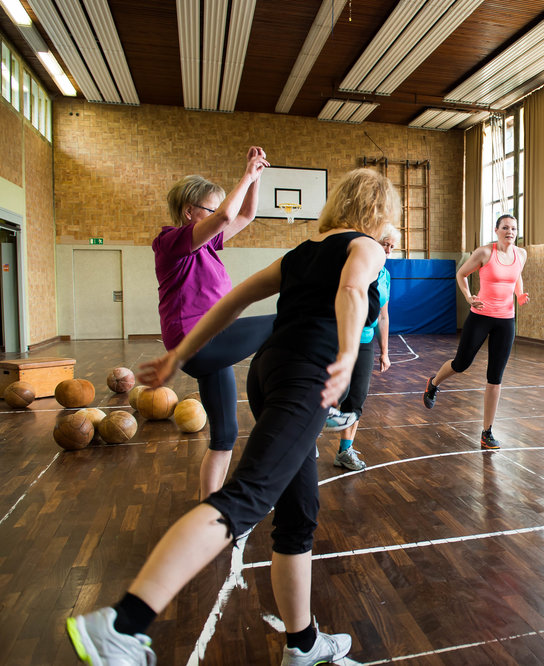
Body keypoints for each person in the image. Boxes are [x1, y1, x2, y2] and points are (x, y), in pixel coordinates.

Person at [66, 168, 398, 665]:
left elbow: (231, 301)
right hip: (305, 379)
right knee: (246, 498)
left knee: (296, 514)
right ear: (378, 211)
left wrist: (179, 354)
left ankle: (303, 644)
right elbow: (352, 292)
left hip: (268, 374)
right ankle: (122, 623)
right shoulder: (366, 247)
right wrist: (348, 356)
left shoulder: (300, 253)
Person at [154, 147, 276, 499]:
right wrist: (246, 176)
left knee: (224, 435)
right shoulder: (170, 241)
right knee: (284, 318)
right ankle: (297, 409)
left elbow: (245, 215)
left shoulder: (207, 246)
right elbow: (224, 217)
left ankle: (210, 506)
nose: (220, 212)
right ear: (189, 211)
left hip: (213, 346)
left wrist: (257, 177)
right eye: (209, 207)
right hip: (196, 341)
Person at [422, 214, 529, 450]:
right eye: (505, 228)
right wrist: (469, 297)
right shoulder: (484, 253)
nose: (509, 231)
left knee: (495, 377)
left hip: (506, 321)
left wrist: (520, 294)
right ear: (496, 230)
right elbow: (461, 274)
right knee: (461, 364)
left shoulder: (521, 254)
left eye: (513, 228)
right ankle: (434, 383)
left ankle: (487, 432)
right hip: (480, 316)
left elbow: (516, 276)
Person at [326, 224, 400, 471]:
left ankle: (344, 451)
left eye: (392, 247)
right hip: (340, 338)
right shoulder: (352, 267)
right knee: (336, 394)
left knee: (356, 398)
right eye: (384, 244)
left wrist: (385, 352)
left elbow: (384, 316)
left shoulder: (385, 276)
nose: (388, 251)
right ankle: (303, 442)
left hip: (366, 342)